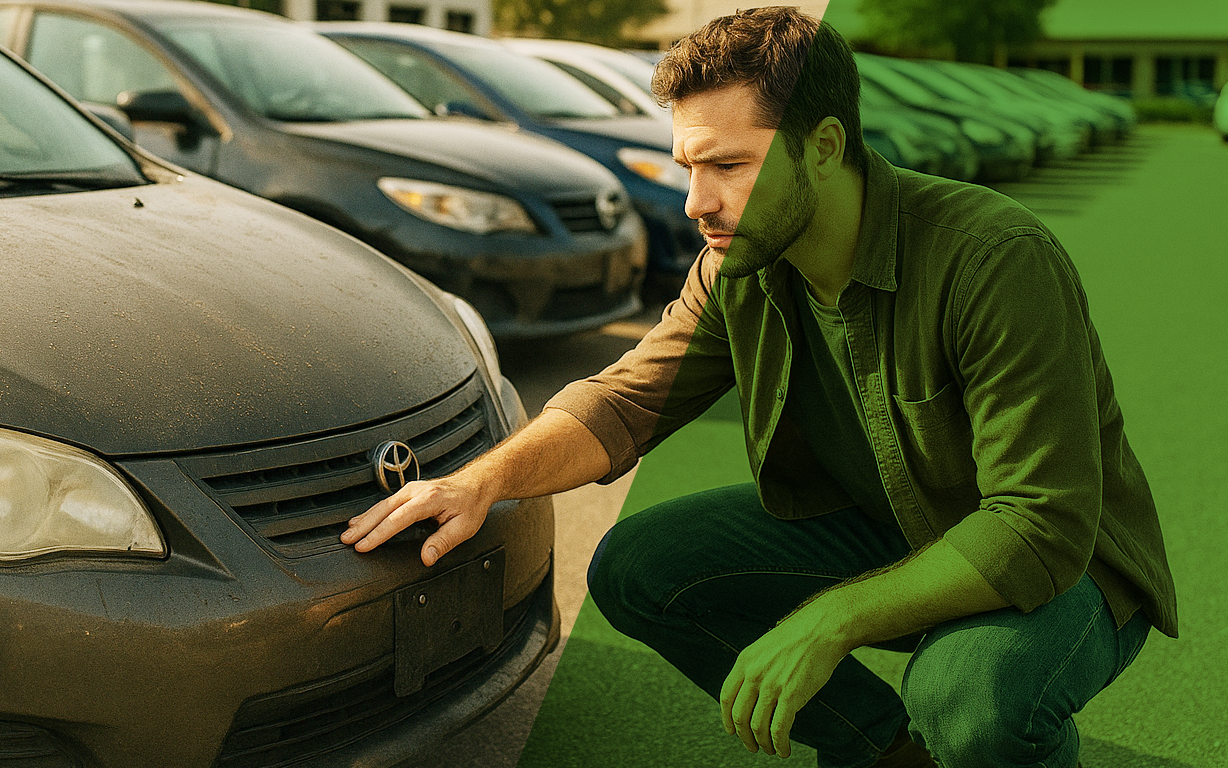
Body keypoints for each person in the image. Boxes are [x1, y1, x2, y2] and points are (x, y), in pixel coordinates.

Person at [341, 8, 1178, 767]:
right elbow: (627, 399)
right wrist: (479, 481)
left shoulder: (993, 258)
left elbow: (1038, 523)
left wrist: (829, 621)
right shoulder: (735, 263)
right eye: (688, 167)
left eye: (730, 166)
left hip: (1067, 562)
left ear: (823, 145)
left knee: (971, 705)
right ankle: (884, 752)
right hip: (889, 525)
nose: (695, 202)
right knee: (640, 566)